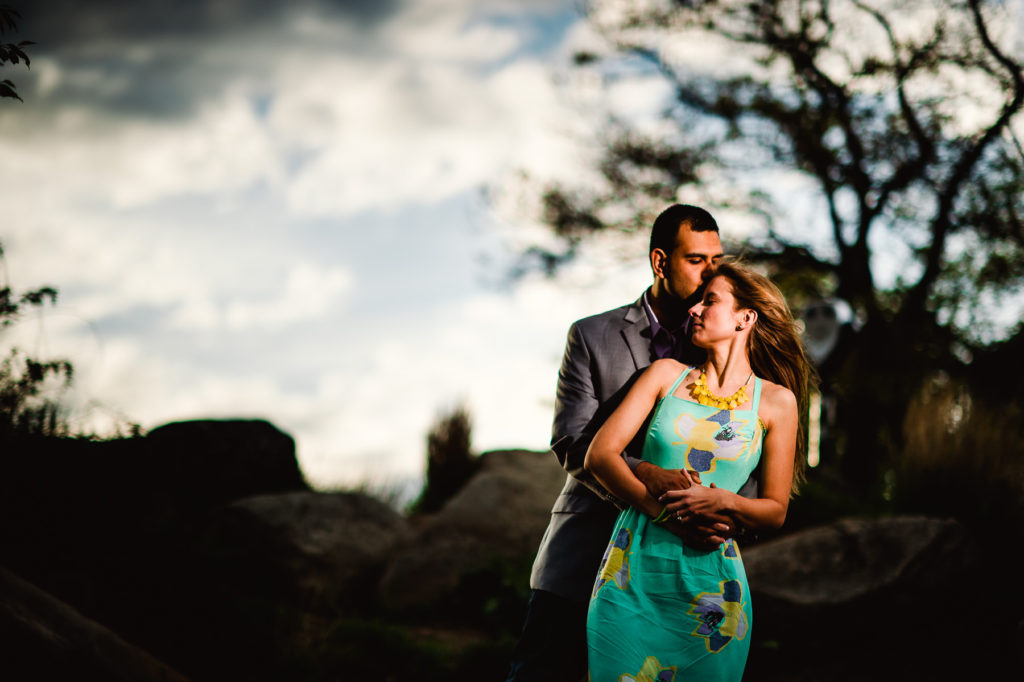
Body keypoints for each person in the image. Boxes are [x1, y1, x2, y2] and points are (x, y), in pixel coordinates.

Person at [506, 205, 756, 682]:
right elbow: (571, 440)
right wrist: (646, 472)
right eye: (696, 260)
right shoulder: (591, 335)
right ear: (660, 262)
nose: (710, 273)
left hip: (683, 564)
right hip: (585, 549)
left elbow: (748, 439)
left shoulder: (725, 338)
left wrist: (726, 514)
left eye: (716, 260)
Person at [584, 260, 813, 681]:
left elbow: (775, 510)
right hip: (632, 573)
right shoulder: (665, 376)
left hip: (711, 583)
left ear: (745, 317)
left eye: (710, 301)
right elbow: (599, 456)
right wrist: (664, 513)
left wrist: (723, 500)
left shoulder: (777, 403)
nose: (694, 310)